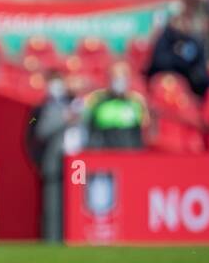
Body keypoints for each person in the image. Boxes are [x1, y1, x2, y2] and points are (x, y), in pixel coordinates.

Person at [27, 71, 84, 241]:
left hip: (76, 162)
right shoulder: (40, 108)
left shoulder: (77, 105)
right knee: (52, 205)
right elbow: (33, 126)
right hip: (50, 158)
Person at [83, 62, 147, 149]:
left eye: (123, 77)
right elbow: (90, 129)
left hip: (129, 155)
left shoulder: (137, 102)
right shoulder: (97, 100)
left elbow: (143, 132)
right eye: (115, 77)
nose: (119, 81)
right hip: (104, 154)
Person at [145, 13, 209, 96]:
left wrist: (197, 77)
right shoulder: (165, 38)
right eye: (180, 21)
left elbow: (200, 66)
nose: (183, 24)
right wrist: (178, 59)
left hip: (188, 85)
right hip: (166, 79)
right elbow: (160, 62)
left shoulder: (194, 42)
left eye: (186, 21)